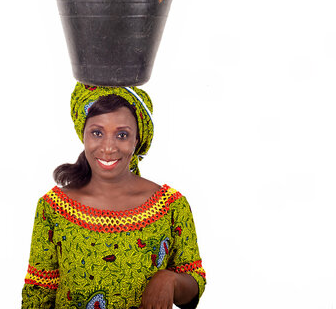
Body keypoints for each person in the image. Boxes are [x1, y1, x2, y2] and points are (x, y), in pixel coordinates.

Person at [21, 83, 206, 309]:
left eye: (122, 134)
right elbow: (37, 294)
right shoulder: (54, 208)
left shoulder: (170, 206)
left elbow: (194, 282)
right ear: (84, 135)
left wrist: (170, 279)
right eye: (97, 133)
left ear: (136, 140)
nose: (108, 148)